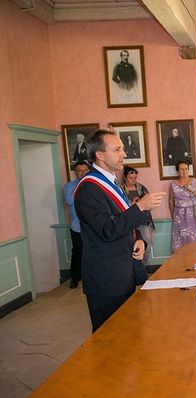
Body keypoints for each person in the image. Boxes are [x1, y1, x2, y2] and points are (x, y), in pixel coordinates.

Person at [74, 129, 164, 332]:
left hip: (123, 272)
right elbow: (107, 229)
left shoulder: (110, 182)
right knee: (109, 340)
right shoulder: (89, 188)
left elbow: (121, 218)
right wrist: (140, 207)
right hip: (106, 279)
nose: (124, 154)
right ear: (100, 155)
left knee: (128, 334)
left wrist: (139, 238)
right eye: (117, 149)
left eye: (123, 148)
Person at [63, 161, 90, 288]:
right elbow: (69, 200)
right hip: (77, 227)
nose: (83, 172)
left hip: (91, 227)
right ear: (75, 172)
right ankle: (75, 278)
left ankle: (90, 278)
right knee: (77, 253)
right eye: (80, 170)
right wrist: (82, 186)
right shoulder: (69, 186)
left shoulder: (93, 185)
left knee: (92, 253)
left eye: (85, 170)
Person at [169, 159, 196, 252]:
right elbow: (170, 200)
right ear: (178, 171)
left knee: (194, 240)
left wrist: (191, 190)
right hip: (179, 217)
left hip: (192, 215)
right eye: (181, 169)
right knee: (180, 242)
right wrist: (173, 215)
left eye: (186, 169)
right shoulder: (173, 184)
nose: (184, 171)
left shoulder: (194, 181)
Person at [120, 166, 155, 263]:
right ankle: (135, 269)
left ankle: (142, 266)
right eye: (131, 178)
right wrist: (133, 204)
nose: (133, 180)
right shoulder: (120, 189)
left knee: (147, 245)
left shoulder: (141, 188)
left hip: (144, 221)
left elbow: (150, 203)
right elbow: (118, 207)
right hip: (128, 222)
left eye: (135, 178)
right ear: (125, 177)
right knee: (131, 247)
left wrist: (145, 203)